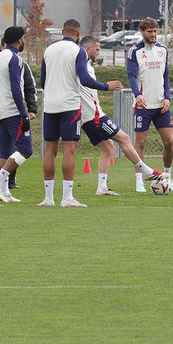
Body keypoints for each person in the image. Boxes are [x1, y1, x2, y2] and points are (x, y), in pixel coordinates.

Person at [39, 19, 123, 208]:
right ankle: (67, 198)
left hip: (50, 106)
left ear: (62, 31)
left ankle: (48, 198)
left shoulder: (49, 50)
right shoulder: (77, 51)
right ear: (78, 34)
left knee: (50, 150)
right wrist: (105, 86)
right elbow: (84, 79)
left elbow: (43, 81)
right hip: (69, 106)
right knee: (69, 149)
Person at [78, 35, 164, 196]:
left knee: (108, 147)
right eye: (97, 49)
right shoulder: (81, 63)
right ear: (88, 48)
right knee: (124, 138)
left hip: (87, 116)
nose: (99, 53)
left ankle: (102, 187)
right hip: (93, 115)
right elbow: (84, 82)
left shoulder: (87, 65)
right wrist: (106, 86)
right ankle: (146, 170)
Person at [0, 27, 35, 203]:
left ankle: (5, 191)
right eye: (24, 38)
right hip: (12, 110)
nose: (25, 41)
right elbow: (15, 87)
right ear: (19, 40)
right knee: (26, 150)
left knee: (5, 153)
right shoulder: (15, 58)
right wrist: (23, 113)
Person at [127, 17, 173, 192]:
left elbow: (166, 76)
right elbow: (132, 76)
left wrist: (168, 97)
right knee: (140, 143)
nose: (153, 34)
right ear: (142, 32)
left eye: (155, 31)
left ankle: (168, 177)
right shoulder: (134, 51)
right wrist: (138, 95)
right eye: (150, 31)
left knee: (169, 142)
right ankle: (139, 180)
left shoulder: (163, 50)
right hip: (143, 106)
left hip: (161, 105)